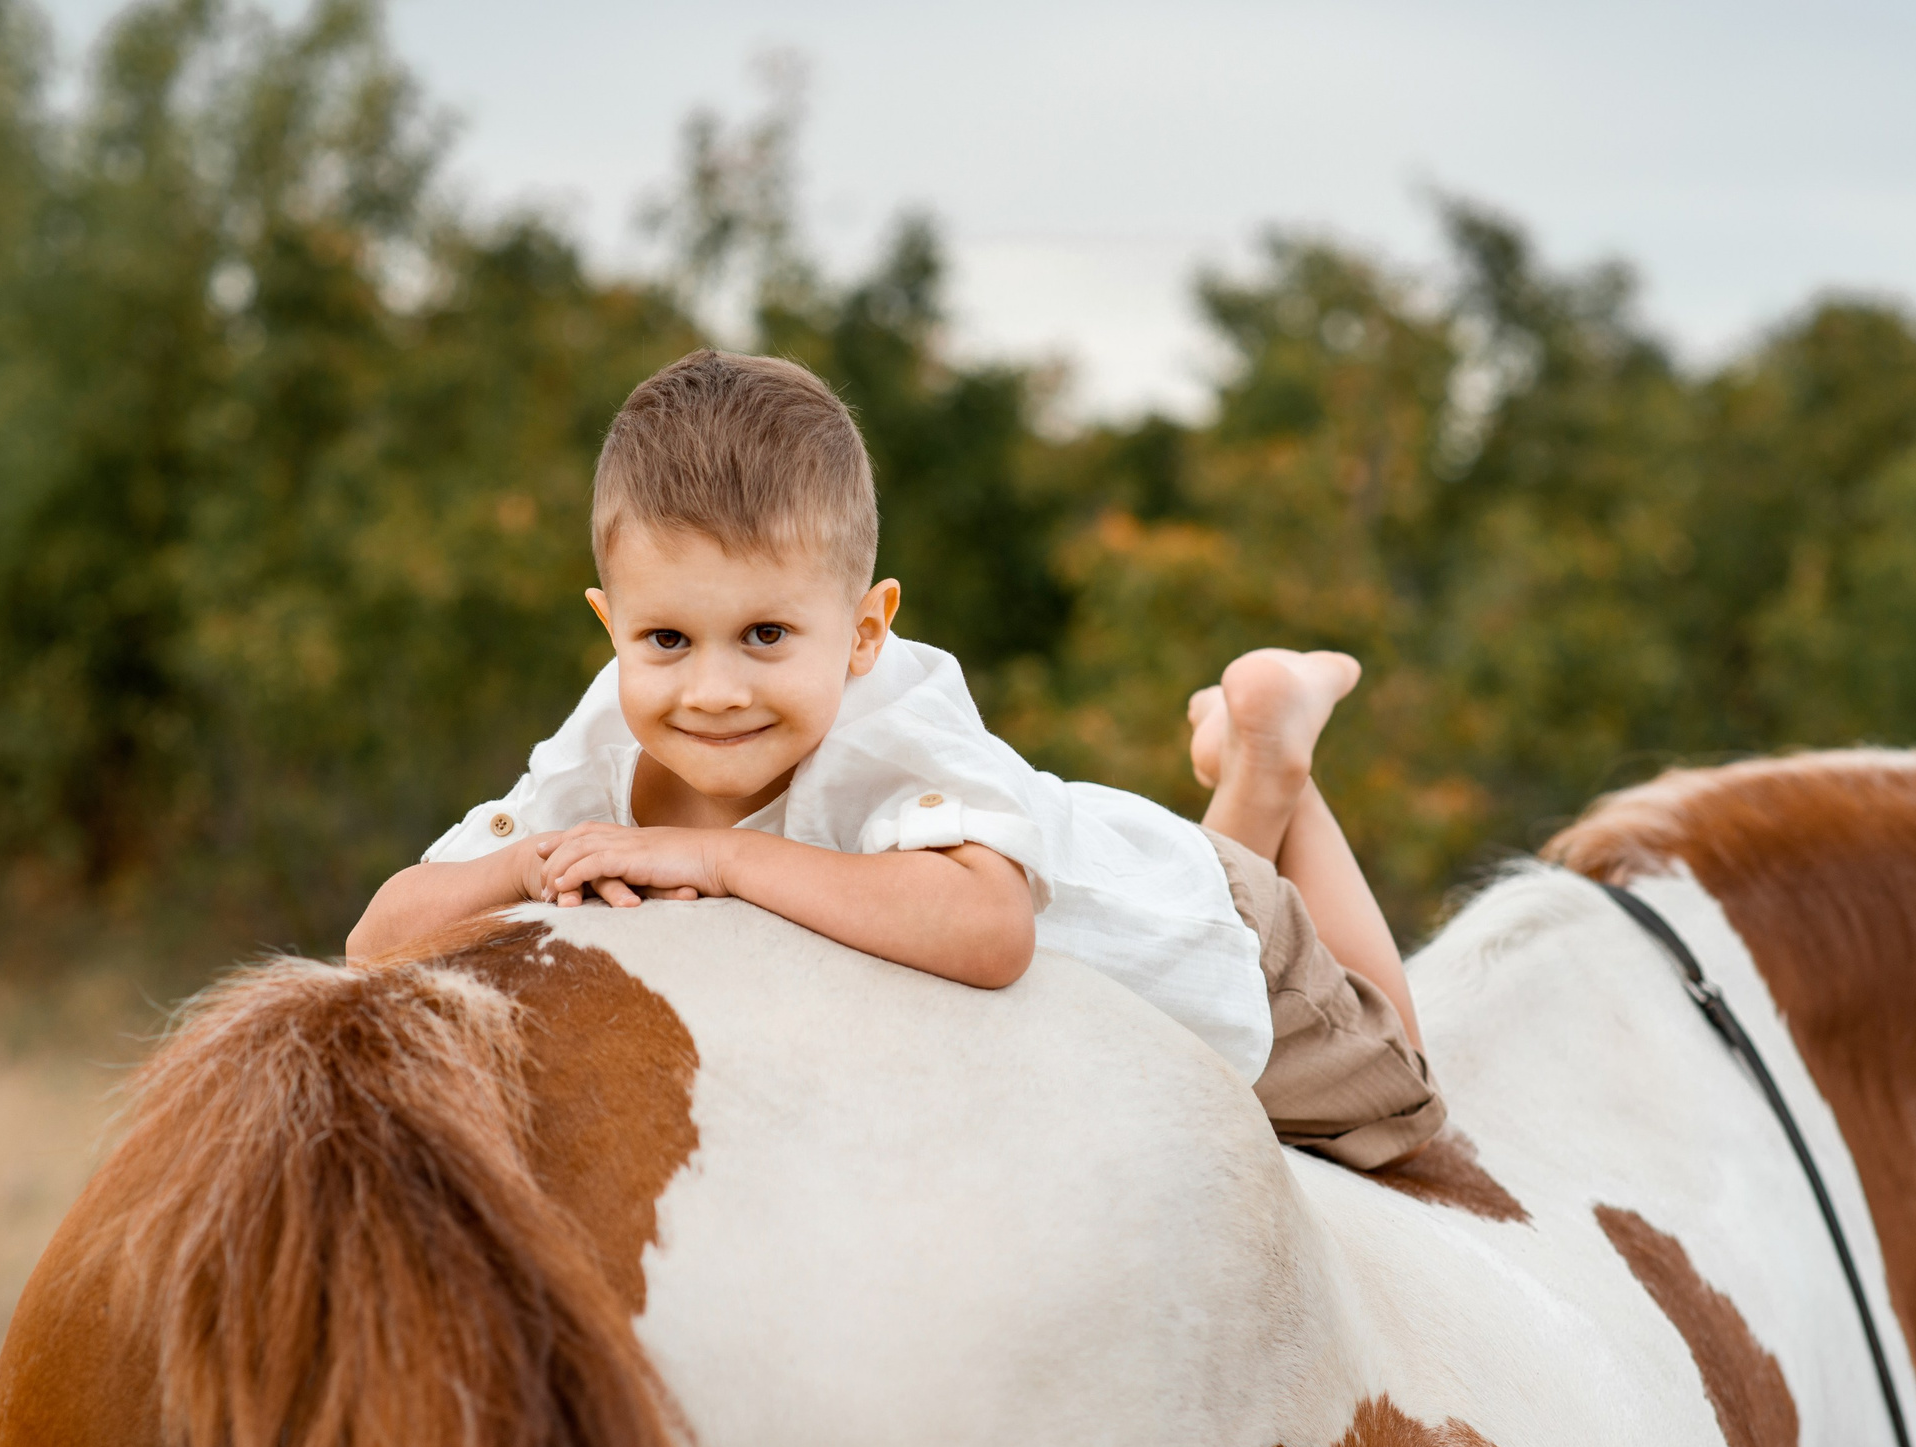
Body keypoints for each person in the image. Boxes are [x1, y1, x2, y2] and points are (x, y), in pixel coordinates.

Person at [347, 350, 1443, 1171]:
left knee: (1406, 1099)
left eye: (767, 636)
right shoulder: (608, 733)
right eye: (667, 640)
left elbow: (991, 930)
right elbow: (375, 941)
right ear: (611, 625)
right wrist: (525, 863)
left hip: (1215, 936)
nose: (713, 690)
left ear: (866, 632)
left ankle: (1279, 770)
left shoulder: (894, 719)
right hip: (1090, 867)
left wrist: (714, 860)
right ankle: (1253, 760)